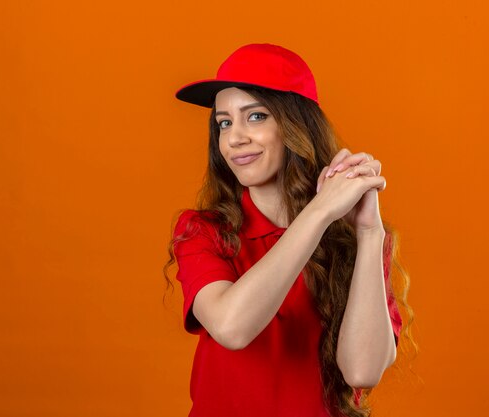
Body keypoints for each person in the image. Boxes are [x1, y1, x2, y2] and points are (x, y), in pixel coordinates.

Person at [165, 43, 411, 417]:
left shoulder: (350, 238)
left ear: (297, 127)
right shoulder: (203, 231)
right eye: (224, 122)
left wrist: (369, 234)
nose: (234, 138)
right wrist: (320, 211)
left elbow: (361, 371)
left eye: (256, 116)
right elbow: (233, 327)